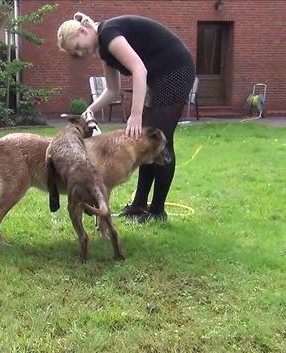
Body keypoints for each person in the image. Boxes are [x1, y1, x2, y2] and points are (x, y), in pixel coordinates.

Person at [57, 12, 195, 223]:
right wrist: (90, 110)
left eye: (76, 46)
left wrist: (136, 114)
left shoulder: (108, 34)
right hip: (160, 77)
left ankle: (157, 211)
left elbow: (139, 69)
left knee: (160, 141)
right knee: (145, 144)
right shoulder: (104, 49)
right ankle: (139, 205)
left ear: (83, 31)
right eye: (75, 53)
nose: (79, 53)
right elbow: (113, 89)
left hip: (176, 71)